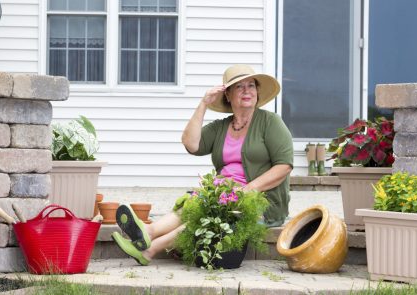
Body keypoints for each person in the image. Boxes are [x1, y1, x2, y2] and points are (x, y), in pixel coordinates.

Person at [111, 64, 294, 265]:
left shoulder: (270, 122)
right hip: (222, 194)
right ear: (228, 95)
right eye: (239, 87)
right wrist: (203, 104)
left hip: (259, 201)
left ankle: (149, 249)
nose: (246, 91)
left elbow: (284, 166)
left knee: (210, 212)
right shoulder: (222, 127)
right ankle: (147, 232)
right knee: (192, 204)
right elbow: (191, 144)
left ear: (258, 92)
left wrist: (246, 190)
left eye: (251, 85)